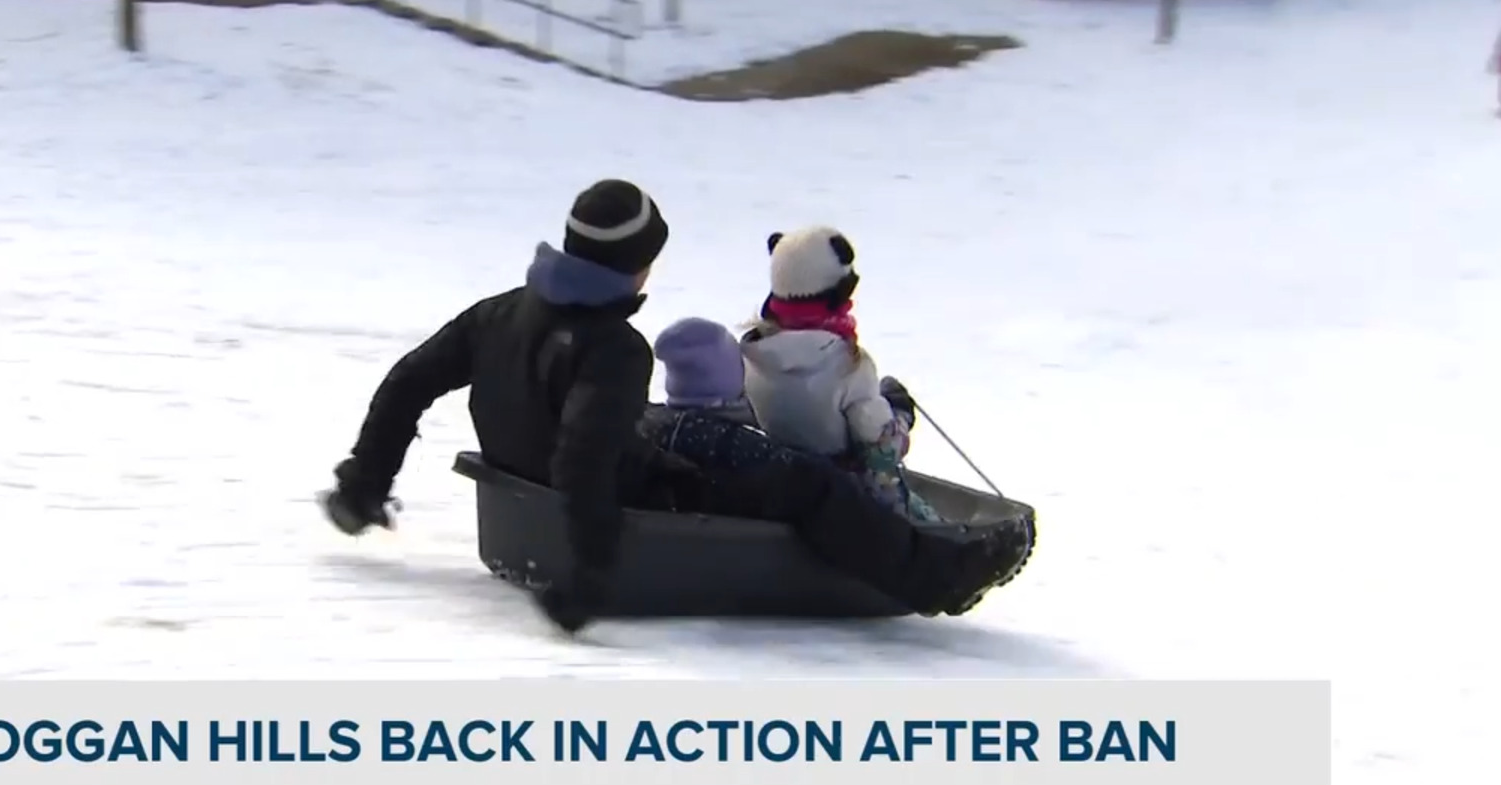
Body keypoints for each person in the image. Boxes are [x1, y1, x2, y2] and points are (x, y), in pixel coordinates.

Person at [322, 178, 699, 635]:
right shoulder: (616, 349)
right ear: (636, 264)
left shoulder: (500, 314)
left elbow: (408, 382)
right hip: (637, 502)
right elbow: (584, 457)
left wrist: (365, 483)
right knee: (747, 464)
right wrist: (590, 575)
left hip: (519, 488)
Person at [641, 317, 1031, 615]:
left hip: (693, 493)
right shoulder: (727, 441)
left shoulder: (664, 421)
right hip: (725, 503)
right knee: (821, 487)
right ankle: (937, 578)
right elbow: (793, 468)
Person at [738, 226, 939, 522]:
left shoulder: (754, 355)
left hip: (785, 487)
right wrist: (899, 414)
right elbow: (881, 452)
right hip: (852, 502)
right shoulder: (846, 367)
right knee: (926, 526)